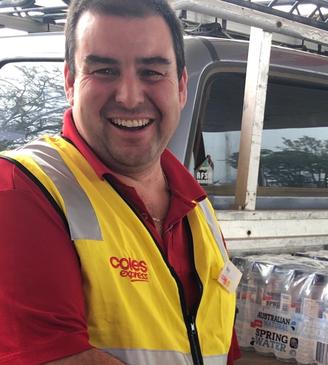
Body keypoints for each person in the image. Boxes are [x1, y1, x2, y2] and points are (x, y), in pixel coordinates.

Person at [0, 0, 241, 364]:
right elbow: (55, 357)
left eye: (152, 72)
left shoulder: (198, 207)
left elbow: (220, 346)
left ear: (181, 87)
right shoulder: (22, 187)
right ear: (70, 82)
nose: (129, 97)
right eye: (104, 70)